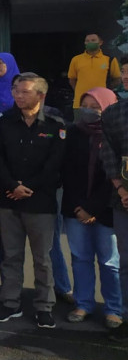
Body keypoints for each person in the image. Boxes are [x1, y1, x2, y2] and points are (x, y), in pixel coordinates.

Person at [0, 73, 66, 328]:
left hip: (40, 202)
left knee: (42, 258)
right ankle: (10, 302)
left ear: (41, 96)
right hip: (10, 198)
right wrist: (13, 185)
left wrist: (28, 187)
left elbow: (54, 165)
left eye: (24, 92)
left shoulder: (54, 124)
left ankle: (44, 306)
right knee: (11, 255)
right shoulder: (5, 121)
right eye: (16, 91)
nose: (18, 96)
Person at [62, 87, 122, 328]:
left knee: (109, 262)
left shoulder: (114, 134)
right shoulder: (73, 133)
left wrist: (92, 209)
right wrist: (79, 207)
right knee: (80, 258)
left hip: (106, 210)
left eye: (96, 107)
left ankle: (114, 309)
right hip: (75, 208)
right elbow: (65, 171)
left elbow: (113, 177)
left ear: (108, 107)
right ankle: (83, 303)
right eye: (85, 105)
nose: (89, 111)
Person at [101, 83, 128, 342]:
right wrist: (120, 188)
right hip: (123, 199)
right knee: (125, 262)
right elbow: (108, 152)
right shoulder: (113, 113)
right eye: (125, 74)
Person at [69, 33, 120, 111]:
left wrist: (107, 89)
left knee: (103, 123)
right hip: (80, 104)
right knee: (80, 123)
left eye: (93, 40)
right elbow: (72, 79)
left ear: (100, 42)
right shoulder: (76, 60)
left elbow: (117, 79)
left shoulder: (109, 60)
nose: (90, 42)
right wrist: (79, 91)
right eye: (87, 41)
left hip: (102, 104)